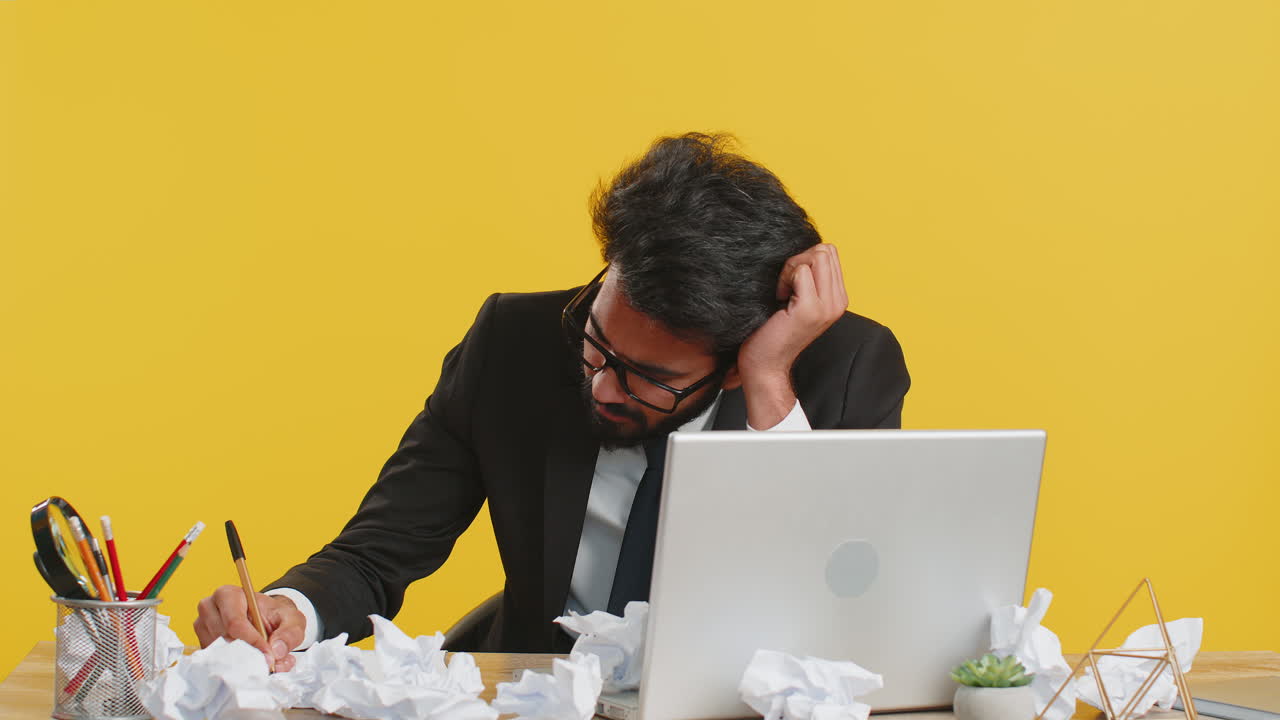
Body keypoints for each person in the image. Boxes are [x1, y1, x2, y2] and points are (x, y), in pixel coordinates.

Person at [193, 132, 911, 671]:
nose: (600, 385)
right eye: (596, 341)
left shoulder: (841, 371)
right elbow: (375, 554)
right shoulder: (514, 343)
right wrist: (291, 610)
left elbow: (844, 605)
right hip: (537, 695)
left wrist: (768, 386)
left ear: (731, 366)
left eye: (647, 377)